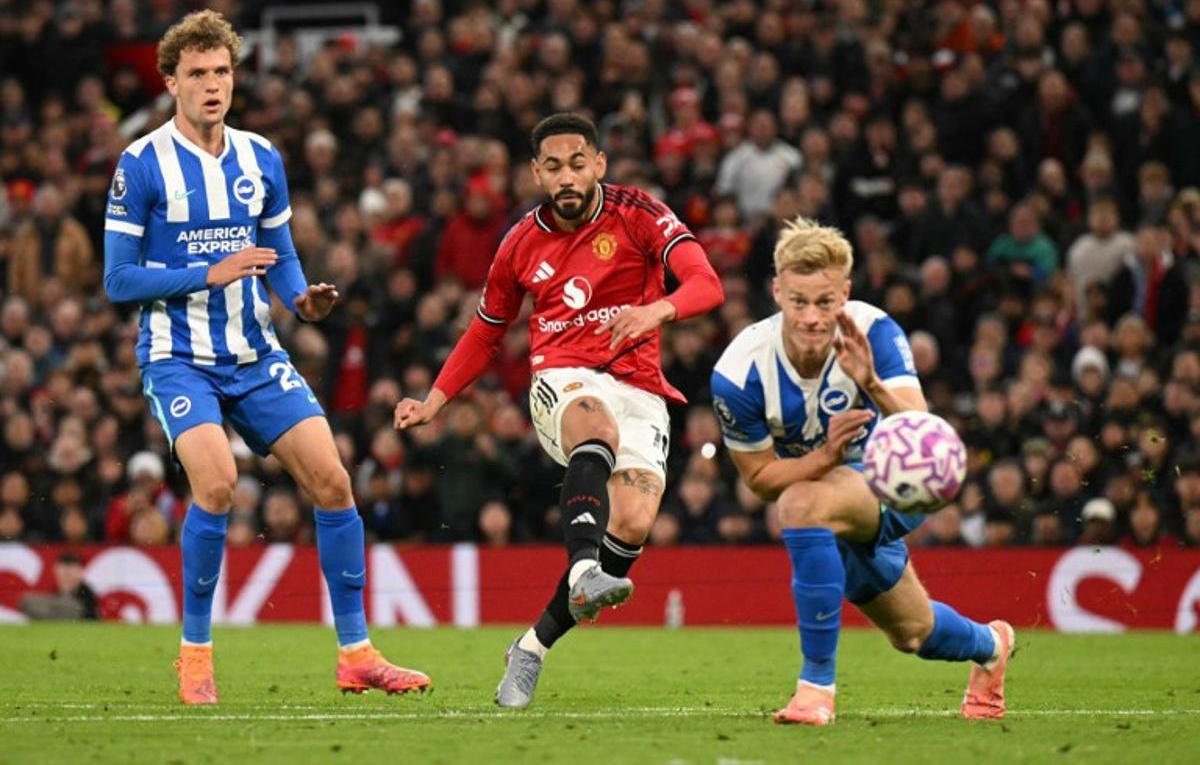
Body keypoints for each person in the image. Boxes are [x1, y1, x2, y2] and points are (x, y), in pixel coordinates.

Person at [102, 10, 429, 705]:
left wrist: (302, 300)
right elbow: (117, 280)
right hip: (179, 355)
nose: (213, 84)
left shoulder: (261, 158)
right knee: (217, 484)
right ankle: (194, 656)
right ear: (171, 82)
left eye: (222, 71)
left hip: (254, 352)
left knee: (334, 483)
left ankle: (356, 654)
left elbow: (280, 256)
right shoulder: (142, 164)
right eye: (197, 74)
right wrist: (209, 273)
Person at [394, 112, 723, 707]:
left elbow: (707, 283)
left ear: (598, 163)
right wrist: (435, 400)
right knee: (595, 427)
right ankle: (580, 573)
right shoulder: (519, 242)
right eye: (553, 167)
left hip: (641, 385)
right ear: (535, 174)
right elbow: (486, 331)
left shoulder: (640, 214)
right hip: (564, 378)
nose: (566, 176)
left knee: (631, 525)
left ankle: (531, 648)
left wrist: (658, 311)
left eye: (578, 163)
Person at [710, 218, 1014, 726]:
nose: (812, 317)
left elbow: (925, 437)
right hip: (830, 492)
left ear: (844, 294)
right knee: (913, 633)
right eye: (799, 301)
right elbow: (759, 479)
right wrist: (823, 459)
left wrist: (870, 381)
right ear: (777, 291)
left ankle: (815, 690)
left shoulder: (874, 331)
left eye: (825, 302)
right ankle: (991, 645)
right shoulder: (740, 371)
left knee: (801, 504)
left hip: (892, 486)